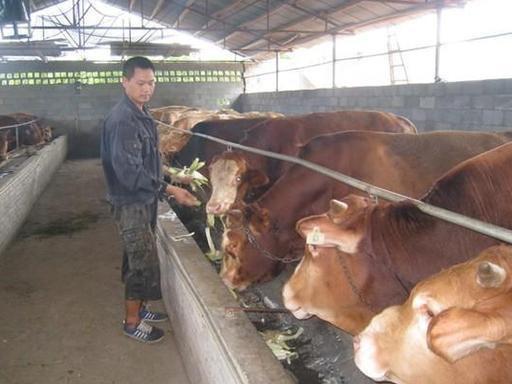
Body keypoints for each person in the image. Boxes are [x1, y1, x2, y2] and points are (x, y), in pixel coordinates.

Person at [101, 56, 199, 343]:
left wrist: (174, 175)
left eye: (151, 83)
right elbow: (129, 171)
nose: (147, 89)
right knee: (141, 262)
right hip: (130, 202)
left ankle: (141, 309)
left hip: (143, 199)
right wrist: (171, 190)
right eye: (141, 83)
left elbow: (147, 160)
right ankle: (131, 322)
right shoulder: (123, 120)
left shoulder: (142, 113)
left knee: (138, 257)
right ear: (125, 81)